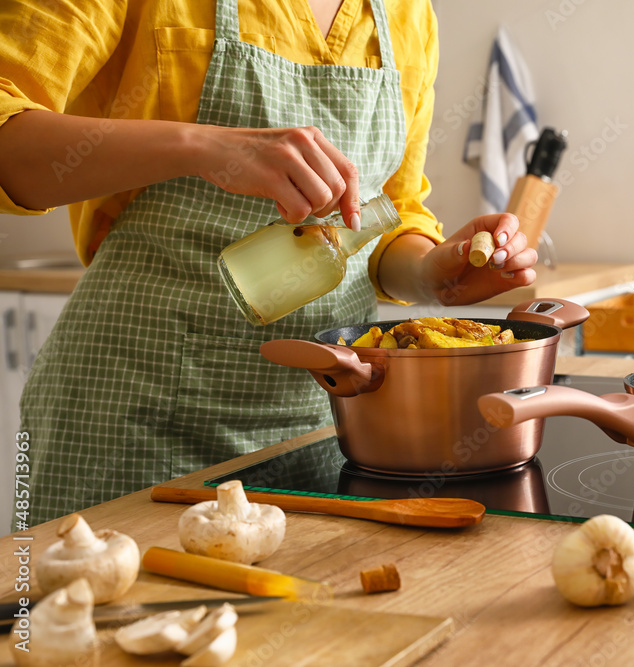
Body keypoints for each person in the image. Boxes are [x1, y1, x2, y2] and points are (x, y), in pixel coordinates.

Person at [0, 0, 538, 526]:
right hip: (136, 414)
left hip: (323, 425)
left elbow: (381, 215)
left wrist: (429, 274)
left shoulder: (408, 12)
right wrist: (205, 146)